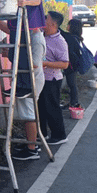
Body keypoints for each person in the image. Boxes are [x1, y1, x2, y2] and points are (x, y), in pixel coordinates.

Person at [11, 29, 47, 160]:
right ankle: (31, 144)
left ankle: (31, 150)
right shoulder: (29, 34)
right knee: (28, 113)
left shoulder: (36, 39)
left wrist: (15, 58)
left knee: (29, 114)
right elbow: (9, 29)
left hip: (31, 81)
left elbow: (35, 64)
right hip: (27, 80)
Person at [39, 11, 69, 145]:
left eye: (46, 18)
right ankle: (42, 134)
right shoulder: (41, 34)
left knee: (52, 108)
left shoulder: (59, 41)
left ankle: (59, 135)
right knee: (41, 107)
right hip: (41, 78)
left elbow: (65, 64)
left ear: (53, 23)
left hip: (52, 79)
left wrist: (45, 63)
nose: (42, 19)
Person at [60, 18, 83, 109]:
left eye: (68, 24)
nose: (67, 26)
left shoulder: (71, 38)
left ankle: (74, 103)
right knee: (72, 84)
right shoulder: (77, 37)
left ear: (72, 27)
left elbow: (61, 32)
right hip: (74, 65)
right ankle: (74, 102)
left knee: (72, 84)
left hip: (71, 66)